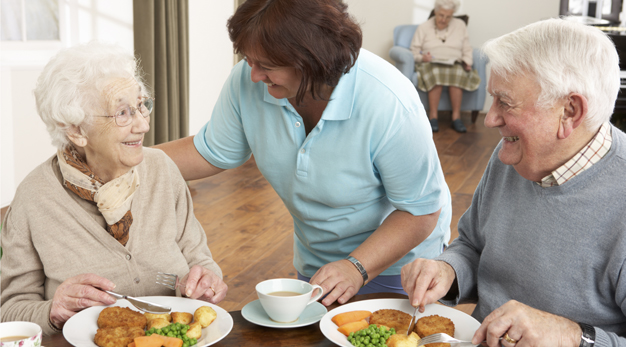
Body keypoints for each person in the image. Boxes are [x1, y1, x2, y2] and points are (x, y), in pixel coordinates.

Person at [156, 0, 452, 307]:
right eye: (248, 60)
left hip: (400, 267)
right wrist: (125, 159)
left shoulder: (389, 101)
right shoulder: (248, 80)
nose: (254, 75)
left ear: (311, 60)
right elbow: (209, 152)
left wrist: (357, 267)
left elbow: (422, 211)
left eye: (267, 66)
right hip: (319, 264)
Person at [401, 18, 626, 347]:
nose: (490, 119)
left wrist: (574, 337)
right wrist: (448, 271)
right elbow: (474, 245)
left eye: (504, 102)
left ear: (570, 111)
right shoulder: (514, 154)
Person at [0, 42, 227, 336]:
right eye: (122, 113)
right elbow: (9, 310)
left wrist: (207, 280)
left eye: (142, 105)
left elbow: (200, 259)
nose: (142, 124)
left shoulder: (162, 169)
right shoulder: (34, 197)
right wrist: (52, 310)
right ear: (76, 130)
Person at [410, 0, 480, 133]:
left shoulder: (460, 25)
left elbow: (467, 47)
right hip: (431, 63)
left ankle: (456, 118)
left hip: (454, 62)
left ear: (452, 15)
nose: (444, 20)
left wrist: (467, 62)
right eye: (441, 15)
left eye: (448, 17)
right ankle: (433, 117)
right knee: (436, 72)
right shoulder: (424, 27)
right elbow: (414, 50)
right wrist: (422, 57)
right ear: (435, 12)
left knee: (458, 73)